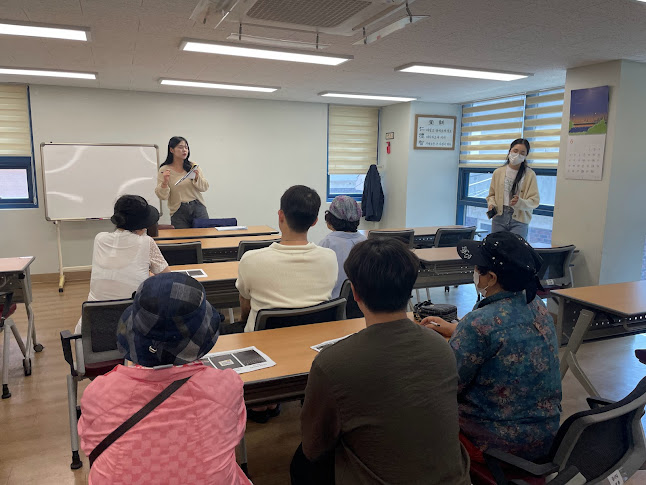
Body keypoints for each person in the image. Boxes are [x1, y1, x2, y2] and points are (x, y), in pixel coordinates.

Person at [291, 238, 471, 485]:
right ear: (410, 288)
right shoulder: (441, 346)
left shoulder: (332, 364)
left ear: (354, 292)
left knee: (301, 464)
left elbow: (313, 447)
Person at [78, 272, 250, 485]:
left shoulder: (98, 394)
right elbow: (233, 435)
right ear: (202, 335)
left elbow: (91, 448)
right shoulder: (227, 386)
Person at [419, 232, 562, 466]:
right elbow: (505, 334)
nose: (474, 271)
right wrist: (457, 329)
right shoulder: (537, 306)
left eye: (478, 268)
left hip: (496, 445)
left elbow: (444, 387)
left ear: (492, 278)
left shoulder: (478, 324)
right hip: (546, 436)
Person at [232, 185, 337, 334]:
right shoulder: (330, 258)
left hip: (262, 342)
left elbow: (245, 303)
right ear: (314, 221)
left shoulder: (251, 260)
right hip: (314, 339)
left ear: (281, 216)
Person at [74, 195, 169, 334]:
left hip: (92, 329)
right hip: (132, 328)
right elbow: (166, 277)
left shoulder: (99, 239)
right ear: (143, 225)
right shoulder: (146, 242)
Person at [486, 139, 539, 239]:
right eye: (515, 151)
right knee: (496, 246)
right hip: (499, 216)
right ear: (510, 151)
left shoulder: (530, 175)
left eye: (522, 153)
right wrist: (491, 204)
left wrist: (520, 202)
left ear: (526, 155)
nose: (518, 155)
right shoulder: (498, 172)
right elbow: (491, 195)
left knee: (515, 247)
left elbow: (534, 201)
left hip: (519, 219)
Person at [155, 136, 209, 229]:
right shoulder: (164, 169)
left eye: (186, 147)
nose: (184, 150)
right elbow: (163, 196)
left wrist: (197, 178)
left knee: (204, 235)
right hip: (178, 210)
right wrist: (165, 182)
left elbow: (204, 187)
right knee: (182, 237)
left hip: (198, 207)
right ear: (171, 150)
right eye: (180, 147)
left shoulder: (193, 166)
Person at [318, 195, 366, 298]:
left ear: (330, 219)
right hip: (361, 302)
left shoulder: (326, 244)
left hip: (332, 303)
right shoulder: (365, 243)